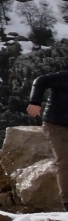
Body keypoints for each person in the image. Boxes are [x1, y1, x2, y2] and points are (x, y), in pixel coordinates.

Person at [25, 66, 68, 212]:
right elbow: (41, 80)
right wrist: (35, 102)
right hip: (56, 125)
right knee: (65, 161)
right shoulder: (65, 77)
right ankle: (67, 202)